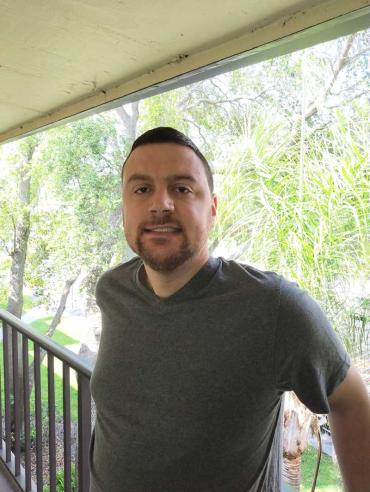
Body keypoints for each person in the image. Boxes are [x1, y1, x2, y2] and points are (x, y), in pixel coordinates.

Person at [89, 127, 370, 491]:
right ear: (125, 206)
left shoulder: (274, 308)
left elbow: (350, 400)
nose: (161, 204)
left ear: (212, 209)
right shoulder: (112, 290)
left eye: (182, 188)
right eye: (142, 189)